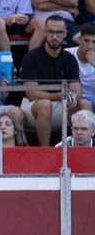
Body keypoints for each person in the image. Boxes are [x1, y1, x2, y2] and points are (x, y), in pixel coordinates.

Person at [20, 15, 92, 146]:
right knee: (45, 105)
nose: (55, 36)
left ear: (65, 34)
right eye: (51, 32)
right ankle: (45, 151)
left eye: (59, 32)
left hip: (59, 104)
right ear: (45, 33)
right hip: (33, 107)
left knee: (85, 104)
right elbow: (31, 93)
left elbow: (77, 89)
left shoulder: (69, 58)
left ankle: (81, 149)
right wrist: (59, 96)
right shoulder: (31, 56)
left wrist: (72, 97)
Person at [66, 22, 95, 106]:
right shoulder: (67, 54)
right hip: (74, 101)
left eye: (94, 42)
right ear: (79, 39)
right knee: (85, 104)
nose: (90, 46)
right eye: (86, 41)